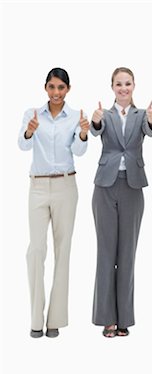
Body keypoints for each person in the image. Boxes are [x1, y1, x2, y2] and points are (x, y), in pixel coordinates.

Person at [18, 67, 89, 338]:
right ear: (45, 88)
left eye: (61, 87)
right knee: (36, 250)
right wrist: (29, 131)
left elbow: (79, 151)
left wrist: (83, 134)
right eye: (52, 87)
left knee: (64, 250)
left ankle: (55, 320)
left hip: (66, 186)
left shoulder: (75, 116)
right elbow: (22, 146)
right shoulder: (32, 114)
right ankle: (36, 318)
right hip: (37, 186)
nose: (56, 92)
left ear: (67, 89)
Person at [90, 67, 152, 338]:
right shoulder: (103, 114)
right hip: (105, 186)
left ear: (134, 85)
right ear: (112, 87)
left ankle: (124, 318)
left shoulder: (142, 114)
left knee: (127, 254)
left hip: (132, 186)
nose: (123, 88)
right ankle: (107, 318)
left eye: (127, 83)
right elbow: (96, 132)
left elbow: (150, 133)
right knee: (106, 254)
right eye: (119, 84)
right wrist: (95, 122)